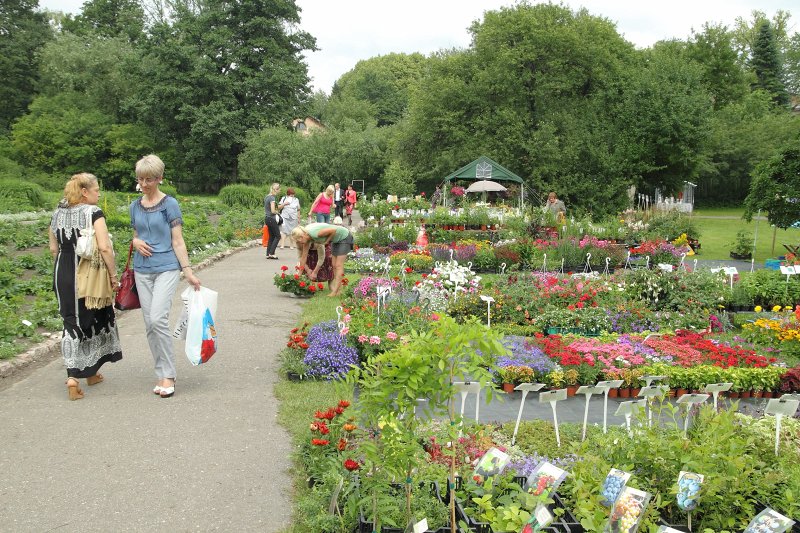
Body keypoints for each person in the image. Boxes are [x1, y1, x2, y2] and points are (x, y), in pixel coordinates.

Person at [130, 154, 200, 398]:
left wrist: (188, 271)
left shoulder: (170, 204)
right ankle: (160, 372)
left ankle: (169, 374)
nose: (144, 184)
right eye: (140, 179)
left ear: (159, 179)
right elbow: (136, 234)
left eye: (149, 179)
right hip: (142, 270)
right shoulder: (134, 205)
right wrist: (136, 241)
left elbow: (177, 240)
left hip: (167, 267)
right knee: (149, 323)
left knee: (158, 318)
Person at [49, 173, 122, 400]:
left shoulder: (57, 213)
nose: (99, 193)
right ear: (84, 191)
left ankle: (90, 372)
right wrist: (113, 275)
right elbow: (104, 247)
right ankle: (73, 377)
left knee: (72, 319)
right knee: (93, 317)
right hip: (89, 273)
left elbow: (53, 249)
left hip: (63, 271)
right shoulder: (93, 213)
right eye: (96, 189)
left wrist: (62, 272)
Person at [291, 222, 354, 297]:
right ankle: (338, 290)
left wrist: (327, 241)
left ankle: (335, 292)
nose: (299, 243)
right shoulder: (307, 238)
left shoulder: (315, 234)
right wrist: (299, 275)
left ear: (302, 236)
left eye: (298, 241)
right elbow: (303, 257)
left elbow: (333, 230)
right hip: (335, 240)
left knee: (338, 265)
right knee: (333, 265)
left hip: (344, 237)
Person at [263, 182, 282, 259]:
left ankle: (268, 253)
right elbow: (273, 211)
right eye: (279, 189)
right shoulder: (272, 198)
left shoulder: (267, 197)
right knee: (278, 236)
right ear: (276, 189)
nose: (280, 190)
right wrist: (278, 212)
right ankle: (271, 253)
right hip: (272, 219)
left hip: (267, 219)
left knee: (272, 236)